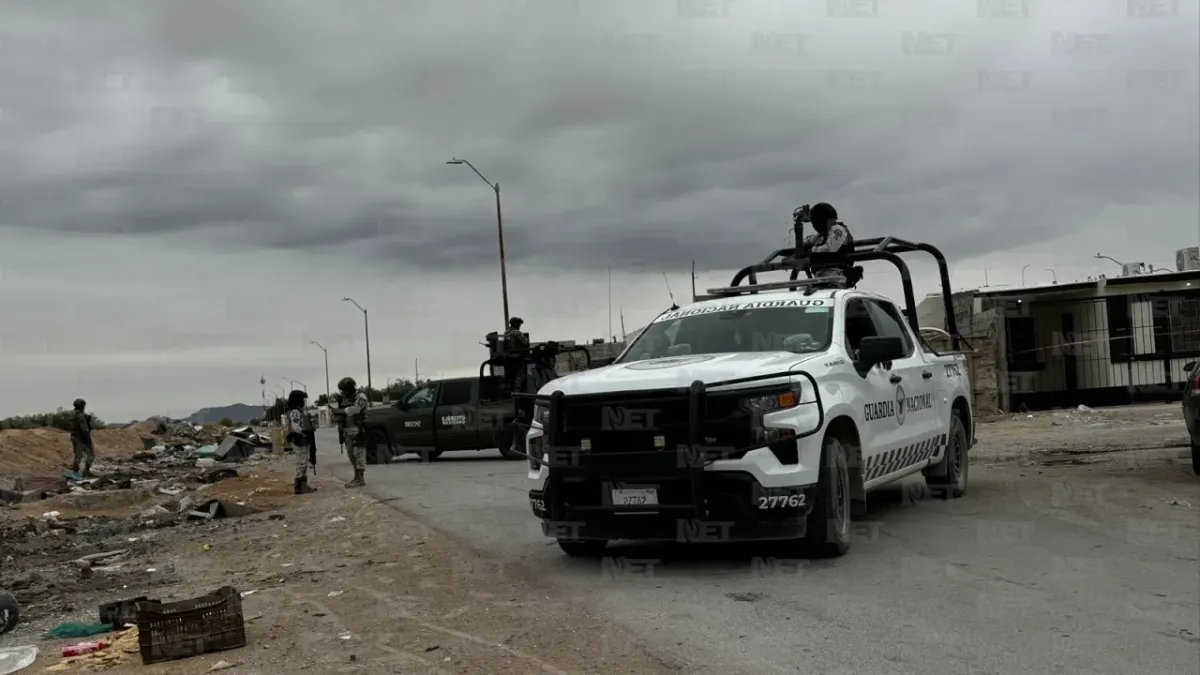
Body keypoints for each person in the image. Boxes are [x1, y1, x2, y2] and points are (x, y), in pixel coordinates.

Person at [799, 202, 854, 280]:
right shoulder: (825, 233)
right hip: (822, 275)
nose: (813, 225)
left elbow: (827, 250)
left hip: (836, 275)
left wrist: (809, 252)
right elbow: (810, 240)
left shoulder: (838, 230)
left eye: (814, 221)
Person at [337, 376, 370, 487]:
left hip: (358, 428)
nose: (343, 392)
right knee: (351, 455)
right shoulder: (345, 398)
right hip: (348, 429)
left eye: (344, 389)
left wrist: (340, 411)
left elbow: (355, 410)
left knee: (358, 453)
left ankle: (360, 479)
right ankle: (356, 477)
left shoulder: (360, 397)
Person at [286, 389, 316, 494]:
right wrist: (304, 433)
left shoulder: (298, 410)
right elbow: (295, 427)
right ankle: (299, 486)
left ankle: (303, 485)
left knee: (303, 462)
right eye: (302, 399)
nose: (303, 401)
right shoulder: (295, 412)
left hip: (301, 438)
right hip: (299, 439)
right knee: (302, 462)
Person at [69, 398, 95, 477]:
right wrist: (88, 440)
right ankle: (85, 471)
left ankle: (75, 472)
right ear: (82, 406)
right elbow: (84, 429)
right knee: (91, 454)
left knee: (78, 455)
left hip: (75, 437)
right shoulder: (81, 415)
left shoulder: (73, 414)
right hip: (81, 438)